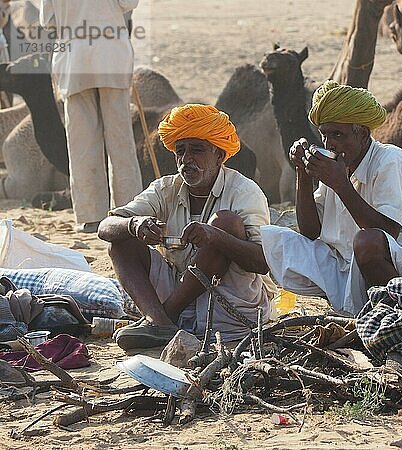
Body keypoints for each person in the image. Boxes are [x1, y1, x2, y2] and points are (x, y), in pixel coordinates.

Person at [261, 80, 402, 316]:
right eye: (324, 135)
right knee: (279, 240)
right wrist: (302, 172)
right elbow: (311, 232)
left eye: (338, 134)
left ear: (362, 134)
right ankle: (364, 308)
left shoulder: (389, 160)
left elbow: (386, 232)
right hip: (355, 271)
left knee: (367, 241)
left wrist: (341, 184)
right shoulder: (337, 165)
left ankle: (396, 314)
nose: (329, 144)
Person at [98, 104, 276, 350]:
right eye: (180, 151)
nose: (186, 160)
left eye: (197, 150)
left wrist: (215, 236)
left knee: (225, 223)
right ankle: (158, 321)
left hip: (229, 308)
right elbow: (105, 226)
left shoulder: (244, 192)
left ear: (219, 155)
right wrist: (135, 224)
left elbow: (260, 263)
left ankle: (165, 319)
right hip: (177, 290)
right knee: (121, 241)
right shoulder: (166, 188)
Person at [40, 0, 142, 232]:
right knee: (121, 141)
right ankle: (129, 211)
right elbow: (129, 3)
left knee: (82, 143)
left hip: (74, 62)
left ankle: (91, 215)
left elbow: (49, 22)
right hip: (112, 57)